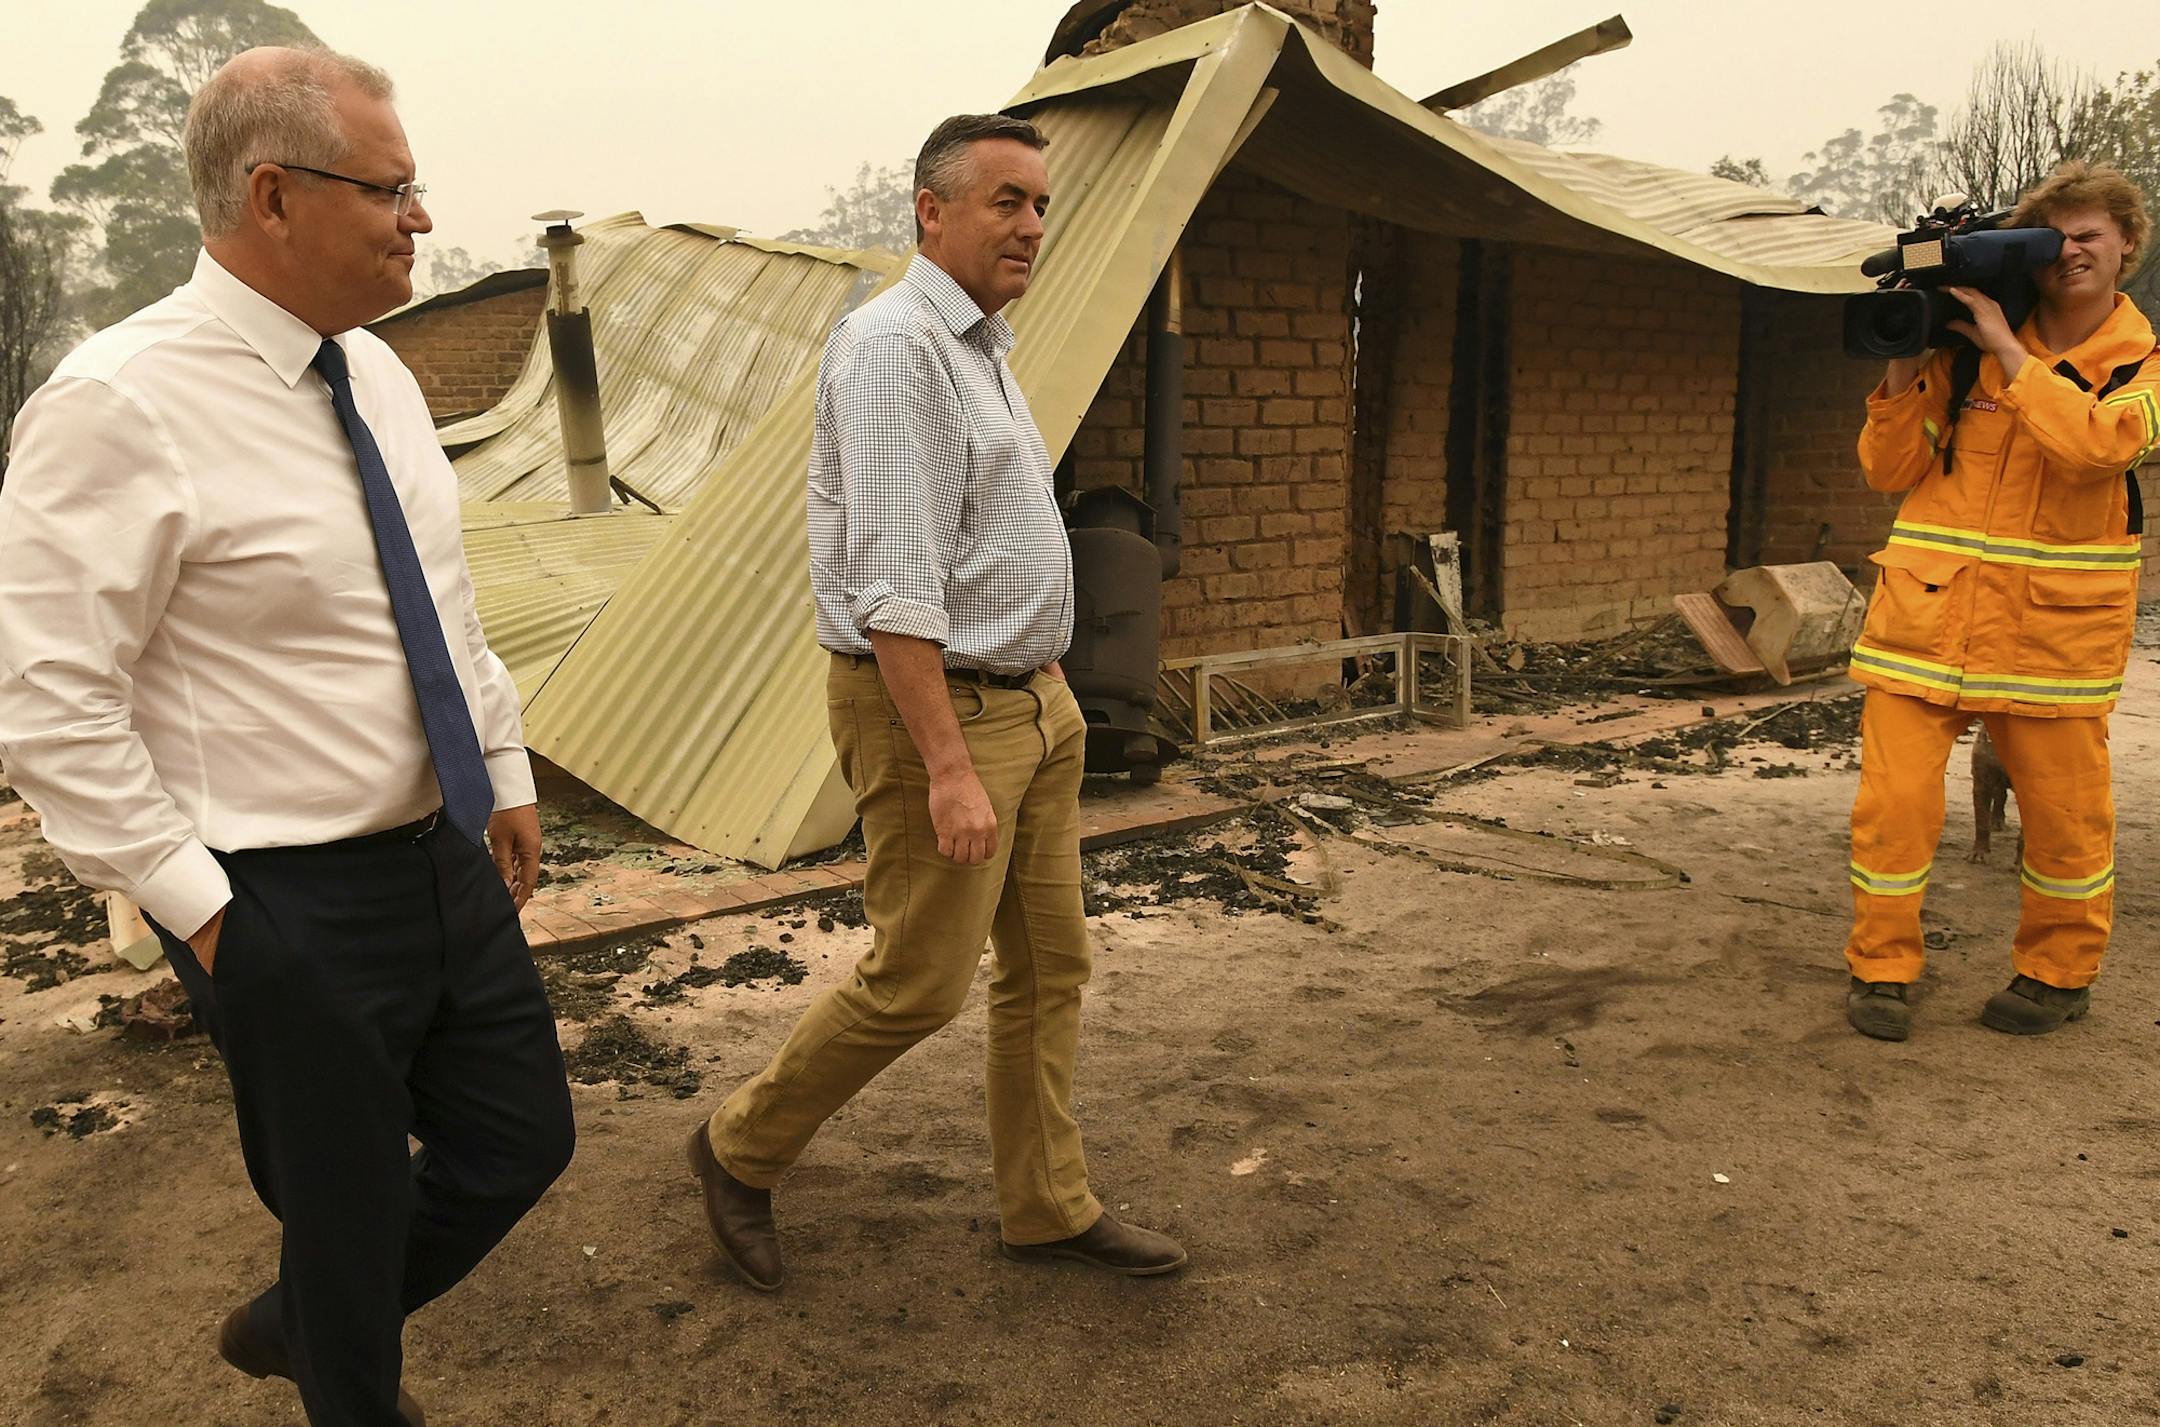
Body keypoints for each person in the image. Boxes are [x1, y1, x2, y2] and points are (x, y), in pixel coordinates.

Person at [0, 47, 573, 1425]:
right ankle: (344, 1369)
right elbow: (47, 701)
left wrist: (499, 771)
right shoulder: (117, 401)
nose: (420, 220)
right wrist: (208, 918)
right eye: (391, 190)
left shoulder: (374, 378)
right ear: (273, 196)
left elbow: (440, 598)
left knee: (519, 1139)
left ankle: (295, 1325)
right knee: (350, 1203)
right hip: (279, 895)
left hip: (437, 853)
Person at [684, 112, 1186, 1289]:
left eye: (1042, 204)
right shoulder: (894, 346)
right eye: (1006, 200)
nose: (1032, 225)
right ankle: (736, 1146)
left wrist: (1045, 668)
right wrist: (952, 763)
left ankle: (1046, 1204)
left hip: (1029, 702)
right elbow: (896, 581)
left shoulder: (982, 344)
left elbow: (986, 537)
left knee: (1050, 965)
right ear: (932, 211)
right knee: (921, 977)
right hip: (935, 714)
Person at [1843, 160, 2156, 1041]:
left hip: (2054, 643)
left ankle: (2058, 975)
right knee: (1891, 812)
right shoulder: (1964, 358)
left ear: (2127, 245)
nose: (2070, 254)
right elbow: (1888, 470)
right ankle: (1881, 969)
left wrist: (2009, 349)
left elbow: (2097, 448)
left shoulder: (2145, 365)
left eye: (2088, 236)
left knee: (2066, 823)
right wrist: (1910, 359)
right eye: (2053, 241)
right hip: (1924, 625)